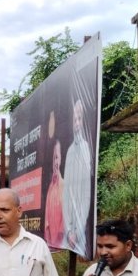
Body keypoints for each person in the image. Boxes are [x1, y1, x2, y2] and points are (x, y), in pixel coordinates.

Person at [63, 97, 94, 256]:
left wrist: (77, 231)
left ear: (84, 120)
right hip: (68, 233)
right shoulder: (69, 151)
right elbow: (67, 195)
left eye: (79, 118)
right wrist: (69, 231)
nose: (76, 123)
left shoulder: (86, 148)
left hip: (81, 233)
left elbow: (85, 197)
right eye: (74, 119)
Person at [44, 140, 66, 247]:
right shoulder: (50, 187)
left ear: (61, 158)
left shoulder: (64, 186)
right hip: (51, 244)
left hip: (61, 243)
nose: (55, 163)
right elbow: (47, 222)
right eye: (53, 159)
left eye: (56, 157)